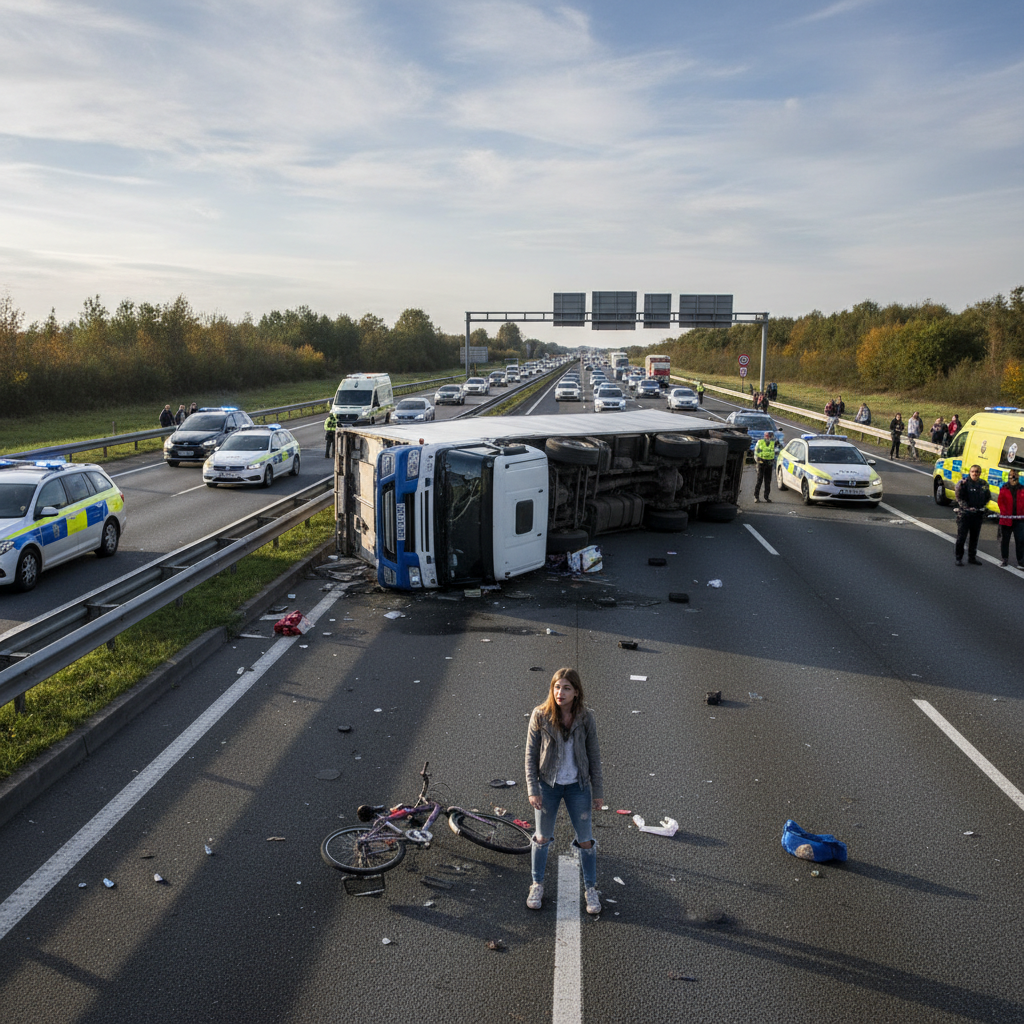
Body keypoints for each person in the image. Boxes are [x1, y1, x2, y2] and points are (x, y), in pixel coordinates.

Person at [525, 667, 604, 915]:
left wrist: (598, 791)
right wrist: (533, 788)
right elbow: (530, 755)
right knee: (541, 838)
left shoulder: (586, 718)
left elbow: (594, 756)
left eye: (566, 688)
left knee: (586, 840)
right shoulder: (540, 715)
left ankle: (591, 889)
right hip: (548, 786)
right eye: (557, 687)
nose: (560, 692)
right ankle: (537, 884)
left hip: (578, 787)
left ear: (576, 692)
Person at [955, 465, 991, 565]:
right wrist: (967, 507)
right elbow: (959, 497)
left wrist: (981, 506)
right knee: (961, 538)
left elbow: (987, 496)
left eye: (977, 472)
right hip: (965, 515)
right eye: (973, 471)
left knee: (974, 538)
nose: (975, 473)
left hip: (977, 515)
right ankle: (959, 558)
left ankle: (972, 558)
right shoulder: (963, 483)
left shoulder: (983, 484)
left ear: (980, 473)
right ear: (970, 472)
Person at [997, 468, 1024, 567]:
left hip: (1019, 520)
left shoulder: (1022, 489)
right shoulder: (1004, 488)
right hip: (1006, 519)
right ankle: (1005, 559)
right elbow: (1001, 502)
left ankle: (1021, 561)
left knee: (1020, 540)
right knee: (1005, 540)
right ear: (1009, 477)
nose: (1013, 478)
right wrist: (1005, 513)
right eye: (1012, 476)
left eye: (1015, 475)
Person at [753, 431, 776, 503]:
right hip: (761, 462)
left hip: (769, 462)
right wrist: (757, 460)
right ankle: (756, 497)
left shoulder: (773, 443)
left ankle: (766, 497)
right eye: (769, 437)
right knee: (759, 480)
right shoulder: (760, 442)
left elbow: (776, 452)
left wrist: (774, 460)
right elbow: (756, 451)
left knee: (768, 481)